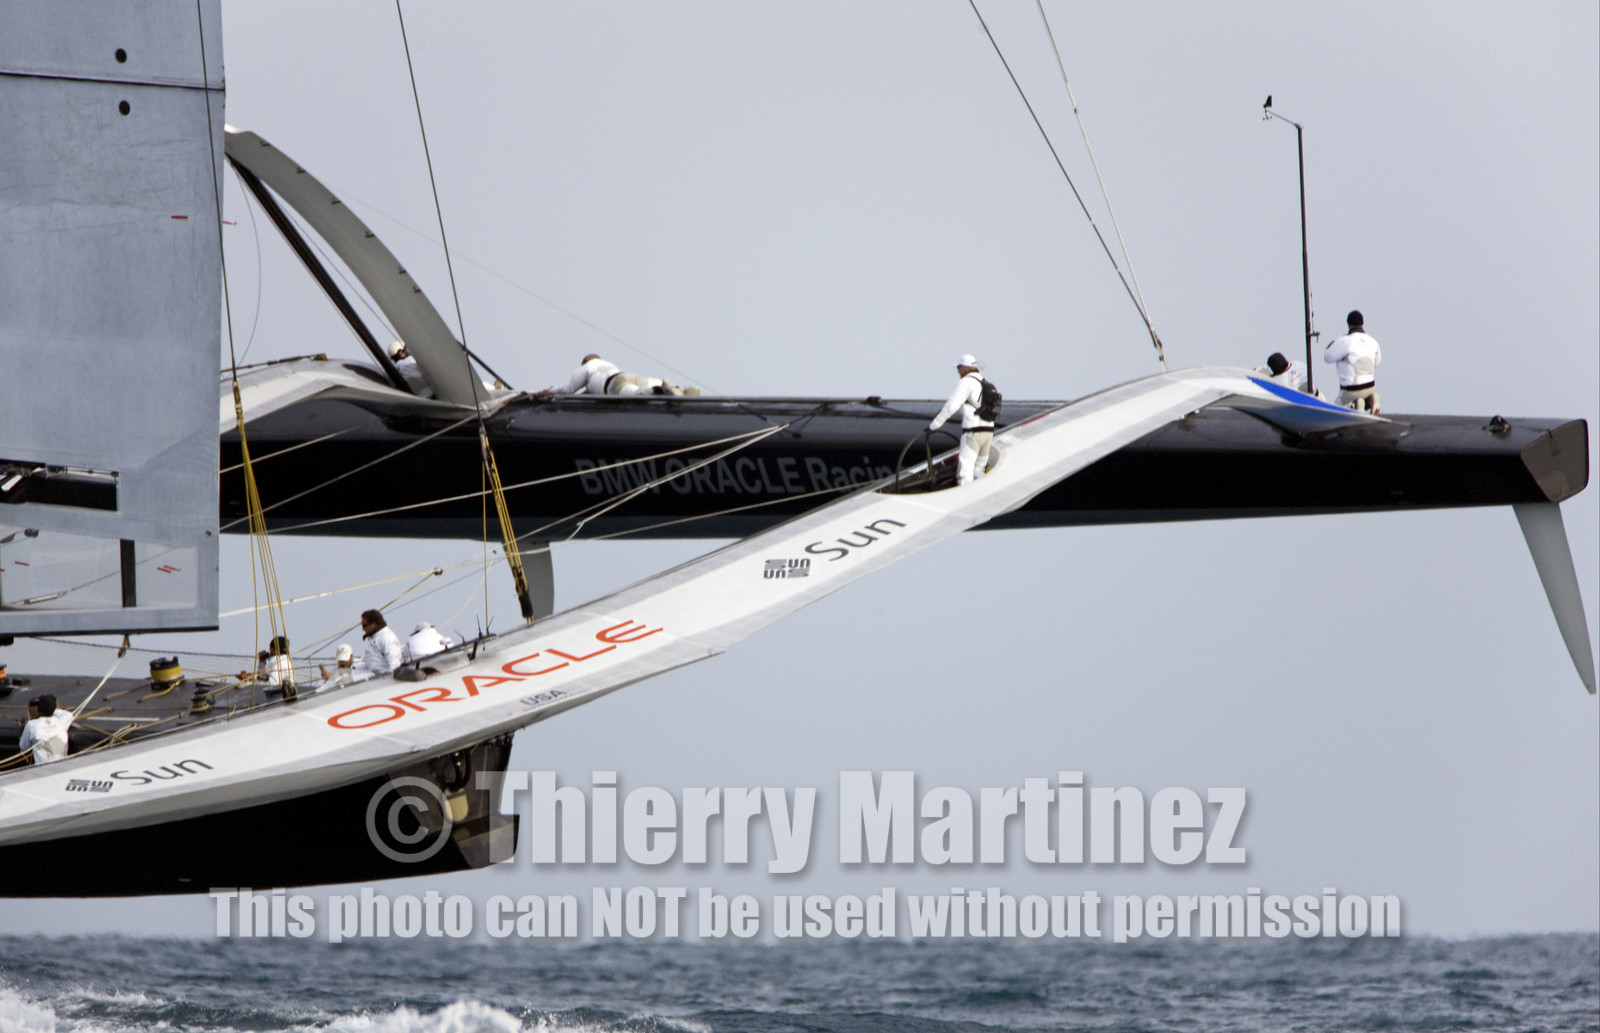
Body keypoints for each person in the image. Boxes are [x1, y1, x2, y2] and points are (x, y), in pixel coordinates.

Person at [928, 354, 996, 486]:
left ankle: (966, 502)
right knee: (979, 471)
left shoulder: (966, 382)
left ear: (965, 367)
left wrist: (934, 426)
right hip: (988, 433)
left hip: (973, 433)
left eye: (959, 367)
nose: (958, 370)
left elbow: (951, 406)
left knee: (965, 473)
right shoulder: (985, 383)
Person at [550, 354, 696, 397]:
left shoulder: (587, 367)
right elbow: (590, 391)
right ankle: (678, 389)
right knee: (649, 382)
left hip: (614, 384)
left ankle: (655, 391)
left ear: (585, 362)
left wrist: (549, 390)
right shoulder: (607, 365)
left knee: (633, 393)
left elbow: (569, 389)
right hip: (625, 375)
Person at [1323, 311, 1382, 413]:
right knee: (1363, 393)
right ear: (1362, 323)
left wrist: (1332, 346)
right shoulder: (1373, 341)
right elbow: (1377, 363)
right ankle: (1371, 399)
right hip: (1370, 386)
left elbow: (1328, 357)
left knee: (1335, 410)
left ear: (1348, 324)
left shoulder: (1345, 341)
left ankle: (1354, 405)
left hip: (1351, 390)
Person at [350, 609, 404, 682]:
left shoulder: (386, 637)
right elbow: (372, 663)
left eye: (364, 625)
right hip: (374, 675)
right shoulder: (377, 638)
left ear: (374, 624)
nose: (363, 629)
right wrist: (354, 666)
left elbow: (394, 662)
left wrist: (390, 681)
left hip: (383, 679)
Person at [18, 694, 71, 765]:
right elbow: (69, 715)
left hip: (43, 769)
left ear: (38, 709)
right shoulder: (60, 723)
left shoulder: (31, 725)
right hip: (62, 766)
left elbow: (23, 746)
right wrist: (52, 709)